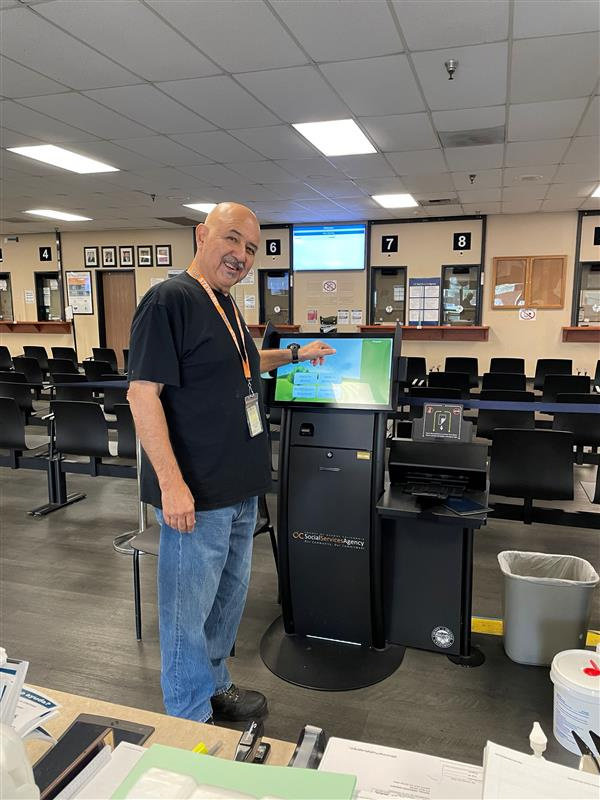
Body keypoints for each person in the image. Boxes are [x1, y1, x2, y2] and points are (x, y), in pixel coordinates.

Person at [127, 202, 335, 724]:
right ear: (202, 235)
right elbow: (142, 395)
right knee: (185, 615)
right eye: (232, 239)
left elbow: (240, 363)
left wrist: (294, 354)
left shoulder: (225, 304)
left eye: (251, 247)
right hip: (196, 493)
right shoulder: (168, 300)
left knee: (226, 603)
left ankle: (217, 684)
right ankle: (190, 717)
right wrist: (172, 486)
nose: (241, 254)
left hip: (240, 489)